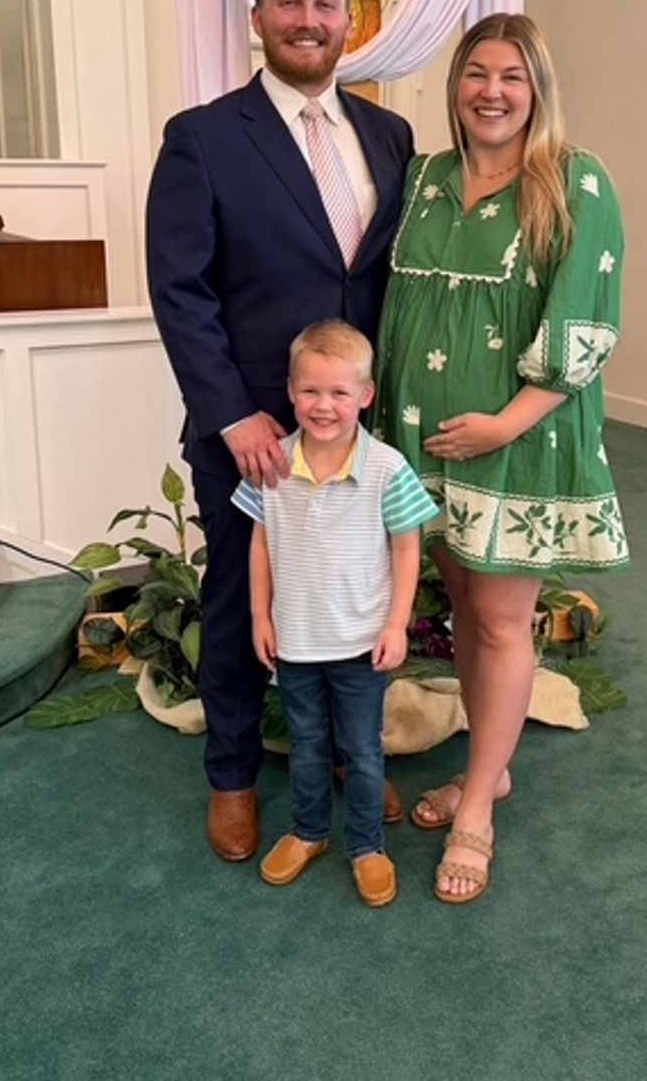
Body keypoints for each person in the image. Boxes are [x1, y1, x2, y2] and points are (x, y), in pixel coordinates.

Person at [146, 0, 414, 862]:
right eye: (289, 3)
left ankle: (346, 755)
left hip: (357, 428)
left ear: (348, 22)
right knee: (239, 594)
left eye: (325, 4)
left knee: (354, 590)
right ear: (257, 18)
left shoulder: (389, 137)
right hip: (254, 427)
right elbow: (180, 288)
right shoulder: (204, 137)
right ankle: (231, 775)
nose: (308, 19)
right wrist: (231, 413)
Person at [374, 12, 629, 904]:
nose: (491, 91)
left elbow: (584, 328)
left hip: (514, 442)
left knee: (500, 620)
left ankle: (477, 804)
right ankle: (496, 761)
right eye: (476, 73)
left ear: (537, 89)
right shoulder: (423, 178)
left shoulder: (576, 181)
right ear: (455, 87)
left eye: (512, 76)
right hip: (419, 437)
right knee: (466, 606)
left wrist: (502, 425)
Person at [232, 321, 438, 906]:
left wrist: (396, 624)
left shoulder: (387, 469)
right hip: (296, 642)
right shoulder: (272, 463)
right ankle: (309, 832)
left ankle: (368, 846)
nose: (324, 406)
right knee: (307, 745)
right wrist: (260, 617)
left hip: (361, 644)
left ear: (365, 396)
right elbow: (259, 543)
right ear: (290, 391)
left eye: (340, 392)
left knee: (364, 752)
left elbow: (407, 548)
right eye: (311, 391)